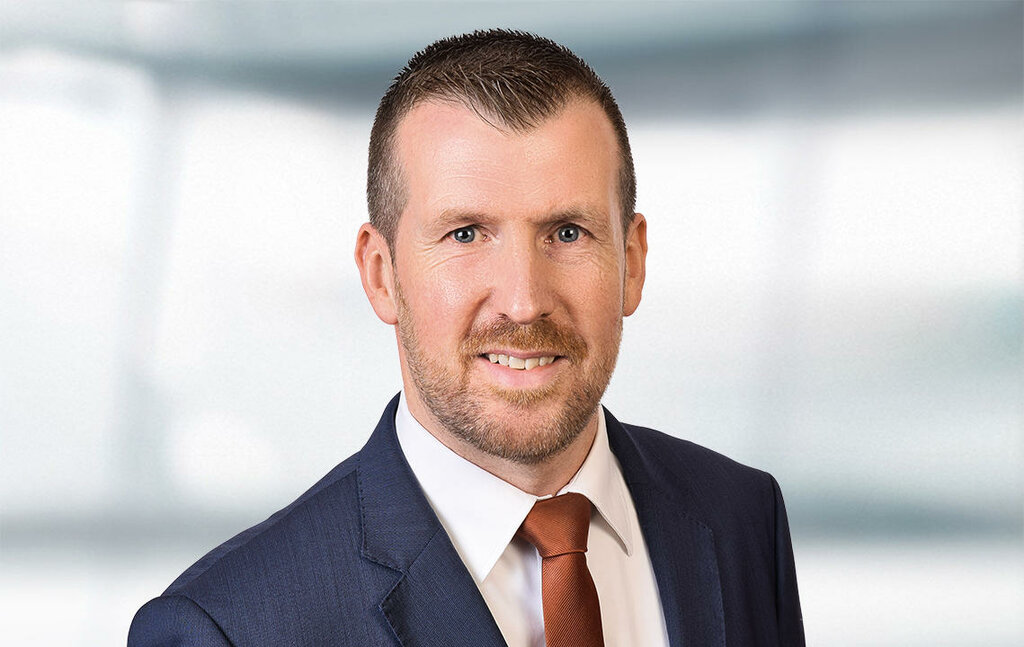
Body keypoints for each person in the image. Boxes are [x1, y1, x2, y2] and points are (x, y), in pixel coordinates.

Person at [128, 29, 804, 647]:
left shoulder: (742, 520)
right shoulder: (231, 627)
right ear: (381, 274)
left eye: (568, 232)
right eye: (466, 234)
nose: (523, 300)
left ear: (632, 260)